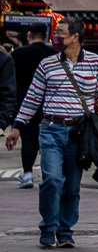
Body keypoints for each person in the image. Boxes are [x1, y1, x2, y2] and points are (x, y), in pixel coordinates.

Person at [5, 15, 98, 249]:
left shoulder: (96, 63)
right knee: (52, 179)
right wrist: (17, 127)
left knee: (72, 185)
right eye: (55, 33)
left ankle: (65, 231)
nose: (55, 37)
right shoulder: (47, 64)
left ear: (75, 37)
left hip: (80, 133)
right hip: (50, 130)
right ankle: (48, 228)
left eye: (60, 33)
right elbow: (33, 97)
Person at [11, 22, 53, 189]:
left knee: (28, 137)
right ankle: (49, 173)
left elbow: (12, 78)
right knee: (49, 138)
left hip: (24, 101)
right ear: (46, 35)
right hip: (49, 102)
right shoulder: (53, 53)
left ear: (29, 35)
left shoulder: (19, 53)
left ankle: (27, 173)